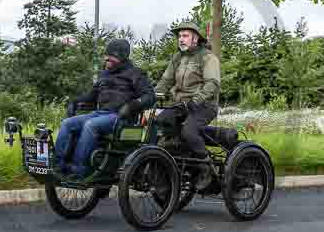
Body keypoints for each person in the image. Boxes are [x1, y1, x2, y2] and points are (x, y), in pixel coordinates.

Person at [54, 38, 156, 179]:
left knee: (90, 125)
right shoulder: (104, 75)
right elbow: (91, 96)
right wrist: (75, 103)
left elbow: (150, 97)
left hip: (121, 118)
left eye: (110, 56)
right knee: (68, 123)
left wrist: (132, 106)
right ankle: (58, 166)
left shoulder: (135, 74)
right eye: (106, 55)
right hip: (100, 114)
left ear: (121, 56)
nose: (106, 58)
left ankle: (79, 170)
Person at [154, 21, 221, 170]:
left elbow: (212, 84)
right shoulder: (177, 58)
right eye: (179, 36)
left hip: (204, 105)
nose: (181, 39)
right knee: (159, 123)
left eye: (185, 36)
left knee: (188, 131)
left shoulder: (207, 58)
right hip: (181, 105)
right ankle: (175, 162)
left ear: (195, 38)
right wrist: (150, 98)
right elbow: (165, 82)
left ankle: (207, 167)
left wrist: (195, 100)